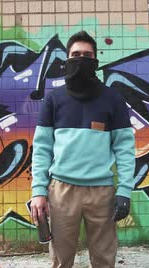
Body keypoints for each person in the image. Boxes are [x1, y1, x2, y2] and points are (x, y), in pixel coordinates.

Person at [30, 31, 136, 268]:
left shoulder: (113, 99)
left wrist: (125, 191)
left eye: (87, 55)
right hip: (61, 192)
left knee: (104, 260)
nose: (80, 59)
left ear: (96, 62)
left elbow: (126, 148)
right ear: (67, 59)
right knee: (61, 260)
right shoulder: (54, 100)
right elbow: (41, 148)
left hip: (102, 193)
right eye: (75, 54)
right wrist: (38, 191)